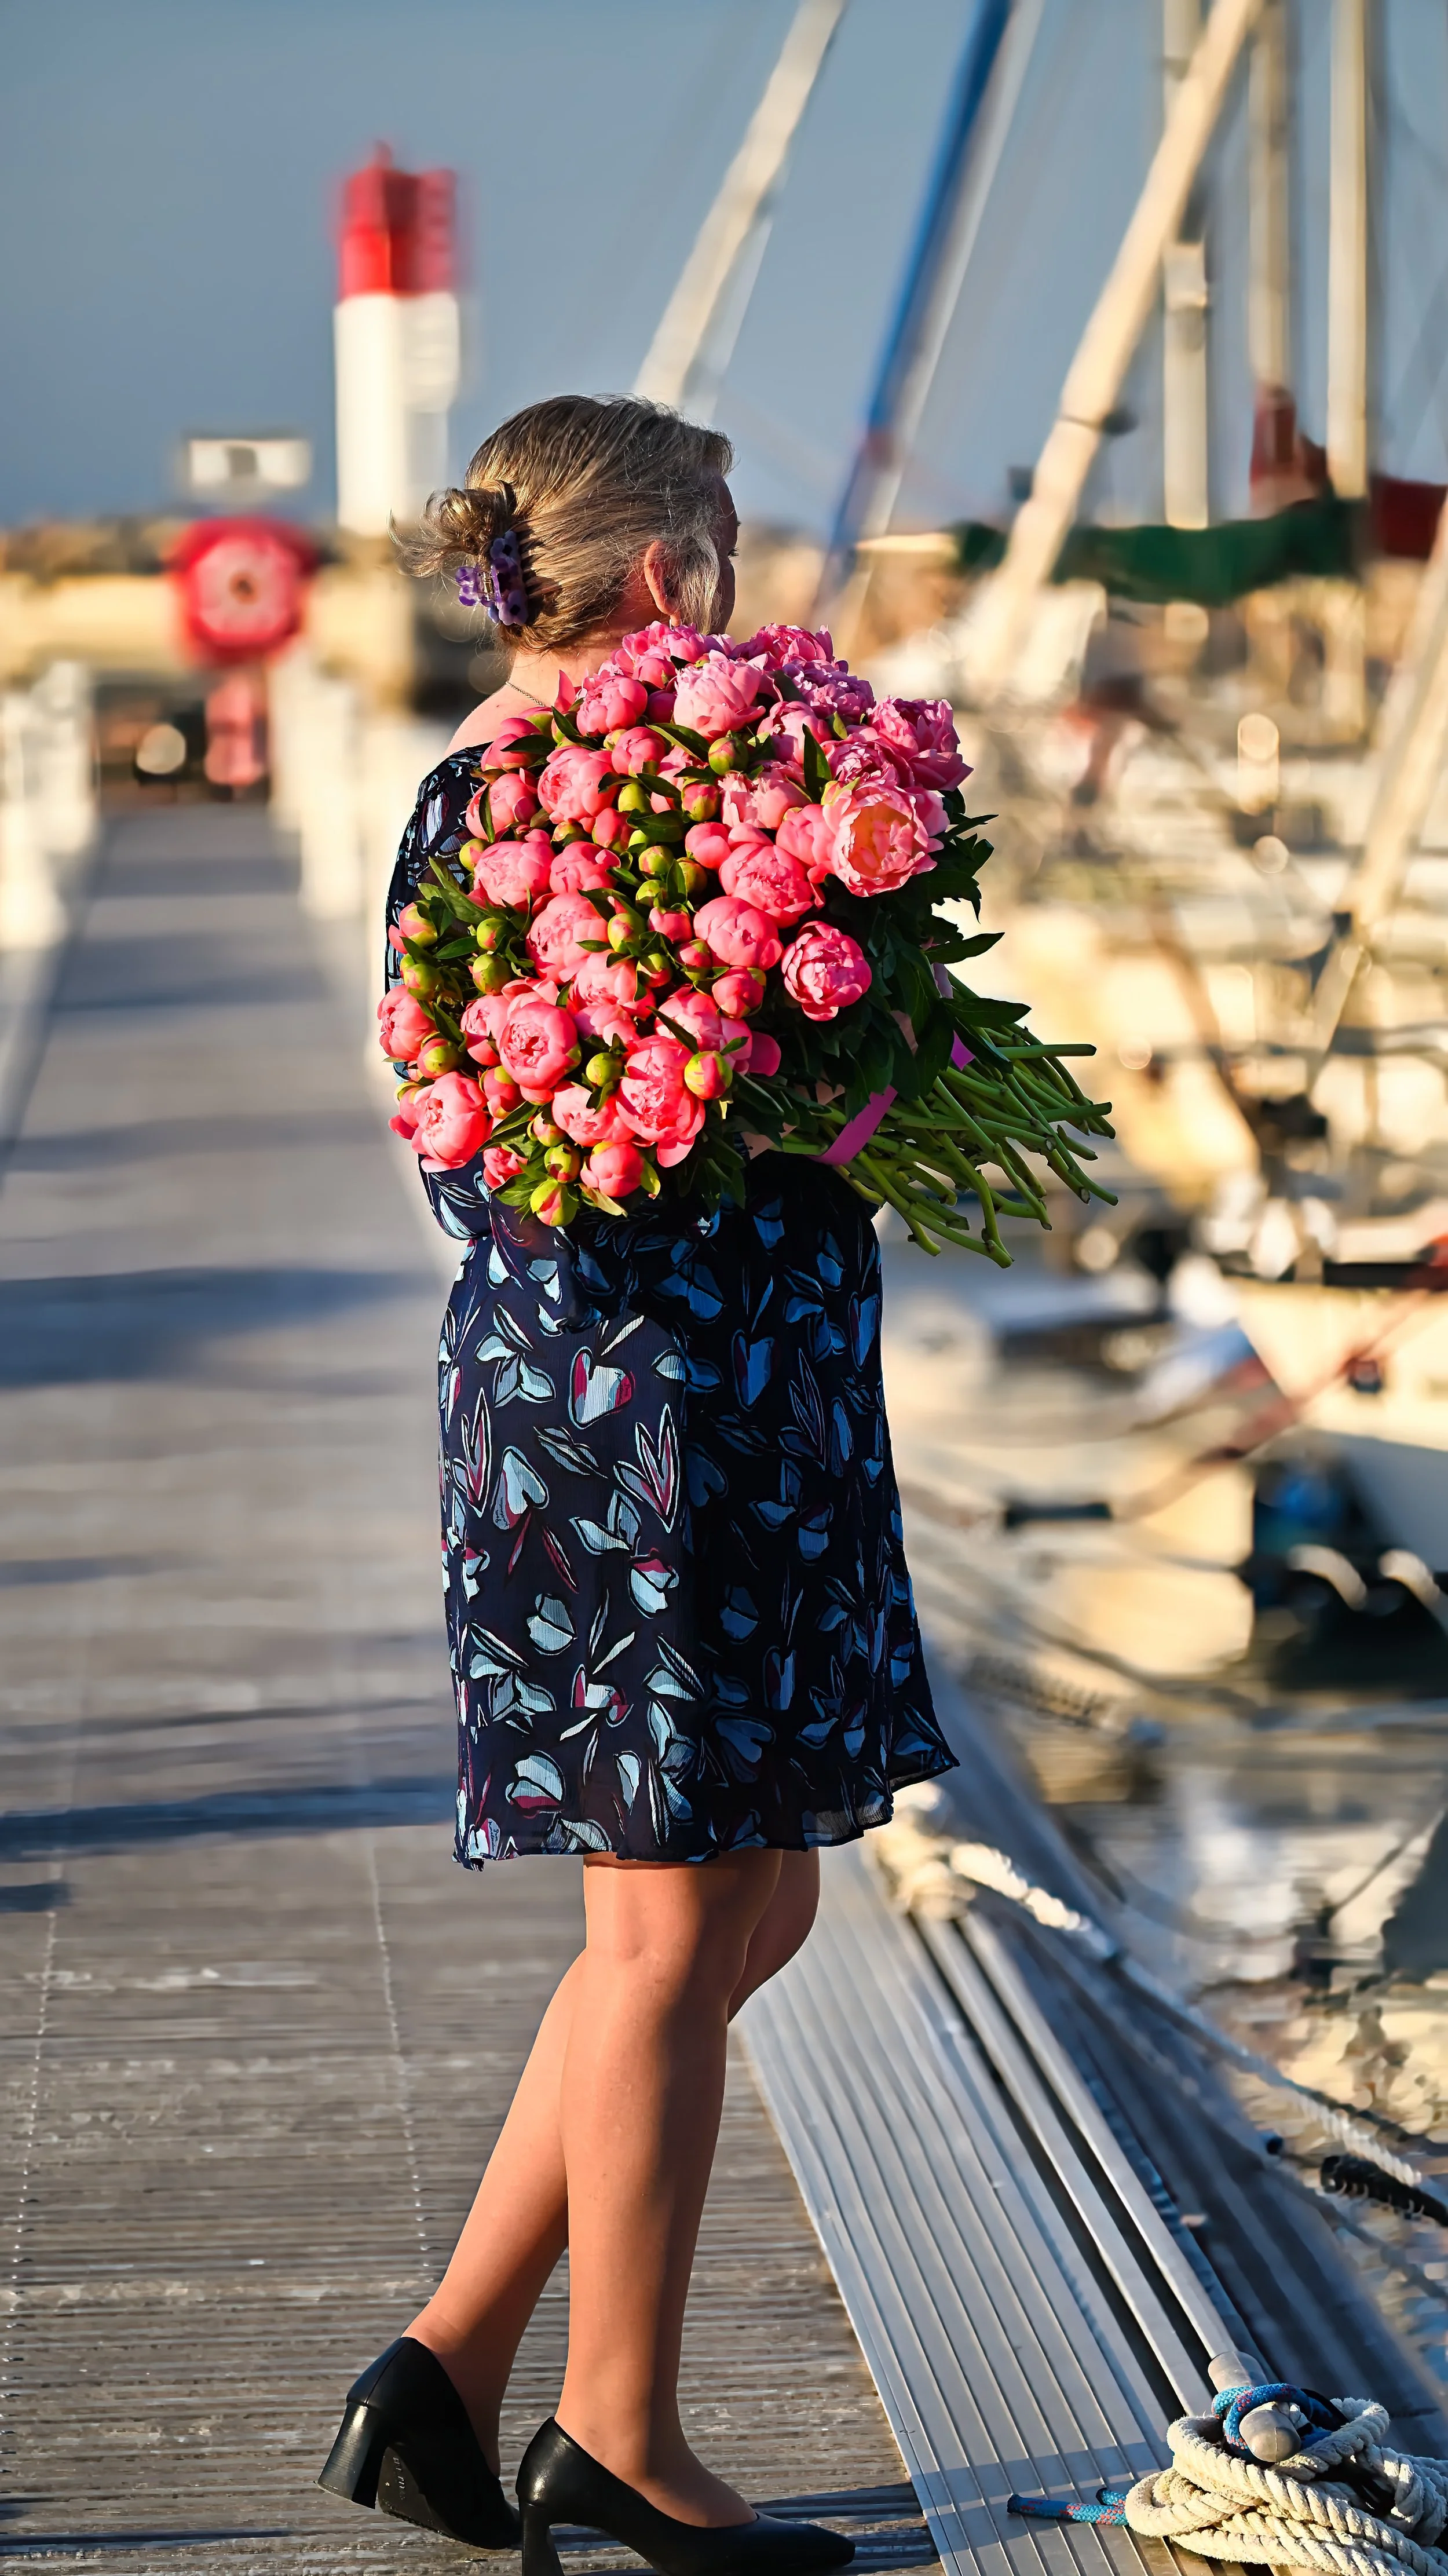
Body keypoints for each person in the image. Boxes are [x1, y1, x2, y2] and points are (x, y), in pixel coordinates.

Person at [317, 396, 957, 2574]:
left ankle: (451, 2359)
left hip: (583, 1395)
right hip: (670, 1410)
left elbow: (452, 1125)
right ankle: (623, 2433)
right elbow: (703, 1123)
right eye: (734, 539)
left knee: (733, 1899)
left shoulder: (461, 804)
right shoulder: (657, 787)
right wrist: (854, 1104)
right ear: (668, 575)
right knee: (683, 1918)